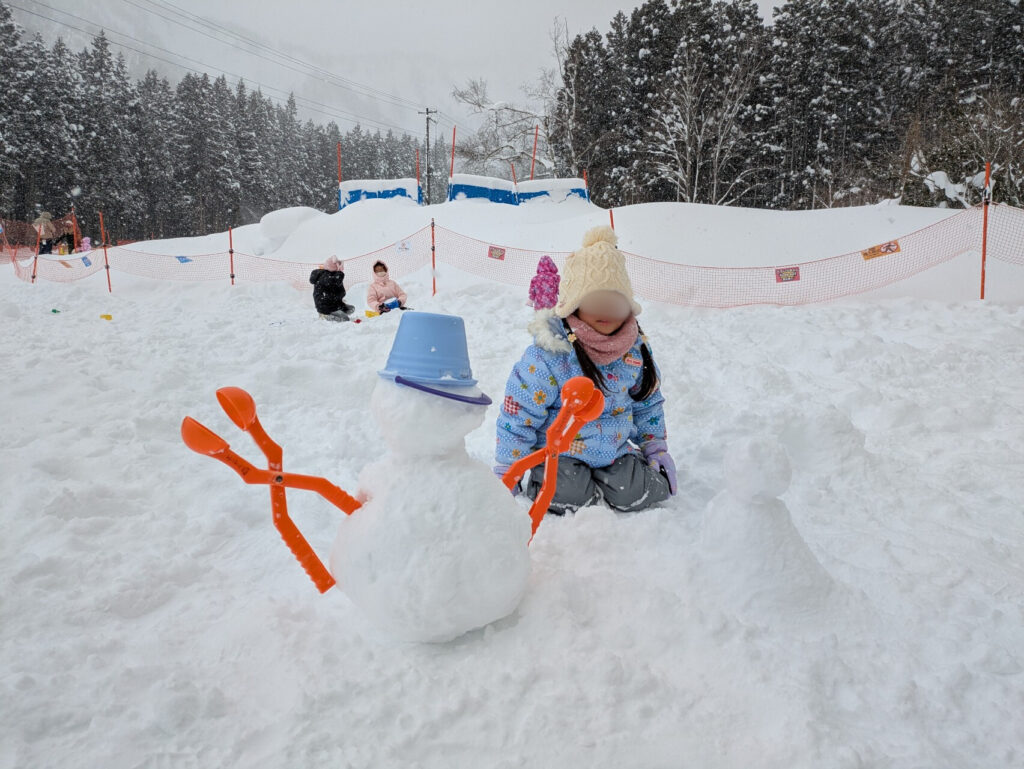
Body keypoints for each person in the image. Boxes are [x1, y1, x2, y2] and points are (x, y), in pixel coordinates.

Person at [494, 226, 676, 515]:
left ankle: (615, 480)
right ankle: (555, 483)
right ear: (574, 305)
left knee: (638, 493)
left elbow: (648, 402)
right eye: (594, 300)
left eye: (615, 300)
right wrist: (510, 468)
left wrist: (655, 446)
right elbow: (518, 413)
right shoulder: (551, 353)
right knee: (566, 494)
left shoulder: (635, 349)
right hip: (560, 453)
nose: (606, 309)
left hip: (615, 451)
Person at [309, 256, 354, 322]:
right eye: (339, 266)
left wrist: (341, 303)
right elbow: (333, 281)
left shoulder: (331, 276)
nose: (341, 268)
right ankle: (325, 315)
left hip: (332, 303)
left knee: (351, 309)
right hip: (326, 306)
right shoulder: (327, 276)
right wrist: (340, 274)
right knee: (345, 319)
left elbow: (337, 293)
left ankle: (335, 311)